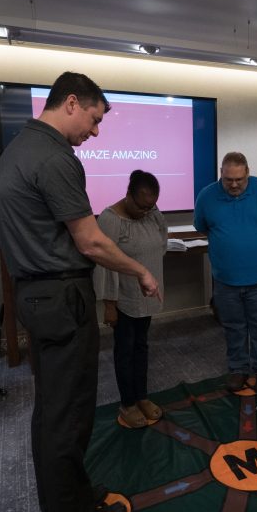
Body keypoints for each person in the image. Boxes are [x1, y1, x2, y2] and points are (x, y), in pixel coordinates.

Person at [0, 72, 161, 512]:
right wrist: (140, 273)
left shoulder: (19, 149)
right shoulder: (55, 157)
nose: (96, 132)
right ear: (71, 103)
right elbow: (90, 241)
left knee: (52, 411)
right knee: (68, 416)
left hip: (37, 298)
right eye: (94, 118)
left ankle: (68, 499)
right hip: (62, 299)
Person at [194, 151, 257, 394]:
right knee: (233, 326)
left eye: (239, 179)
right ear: (221, 175)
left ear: (248, 173)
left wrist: (253, 239)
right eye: (228, 180)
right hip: (225, 279)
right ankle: (237, 368)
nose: (234, 185)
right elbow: (203, 227)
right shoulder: (206, 196)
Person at [93, 170, 168, 429]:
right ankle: (128, 404)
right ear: (128, 195)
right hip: (123, 298)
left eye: (151, 205)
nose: (146, 211)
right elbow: (103, 263)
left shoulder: (152, 213)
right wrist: (109, 304)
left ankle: (142, 397)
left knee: (141, 347)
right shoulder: (110, 219)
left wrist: (151, 213)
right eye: (141, 205)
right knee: (124, 351)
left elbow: (161, 240)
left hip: (145, 298)